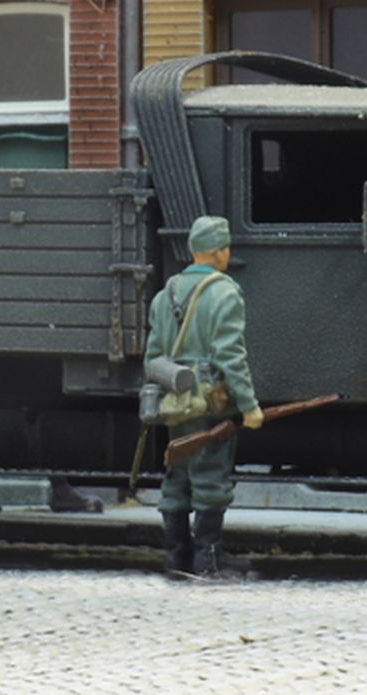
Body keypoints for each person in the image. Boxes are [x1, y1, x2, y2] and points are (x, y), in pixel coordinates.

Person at [145, 215, 261, 578]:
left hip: (174, 398)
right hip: (210, 401)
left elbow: (154, 353)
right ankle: (207, 559)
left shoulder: (168, 293)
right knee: (210, 474)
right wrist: (249, 405)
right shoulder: (224, 292)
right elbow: (230, 355)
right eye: (226, 248)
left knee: (177, 474)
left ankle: (176, 555)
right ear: (217, 252)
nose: (228, 255)